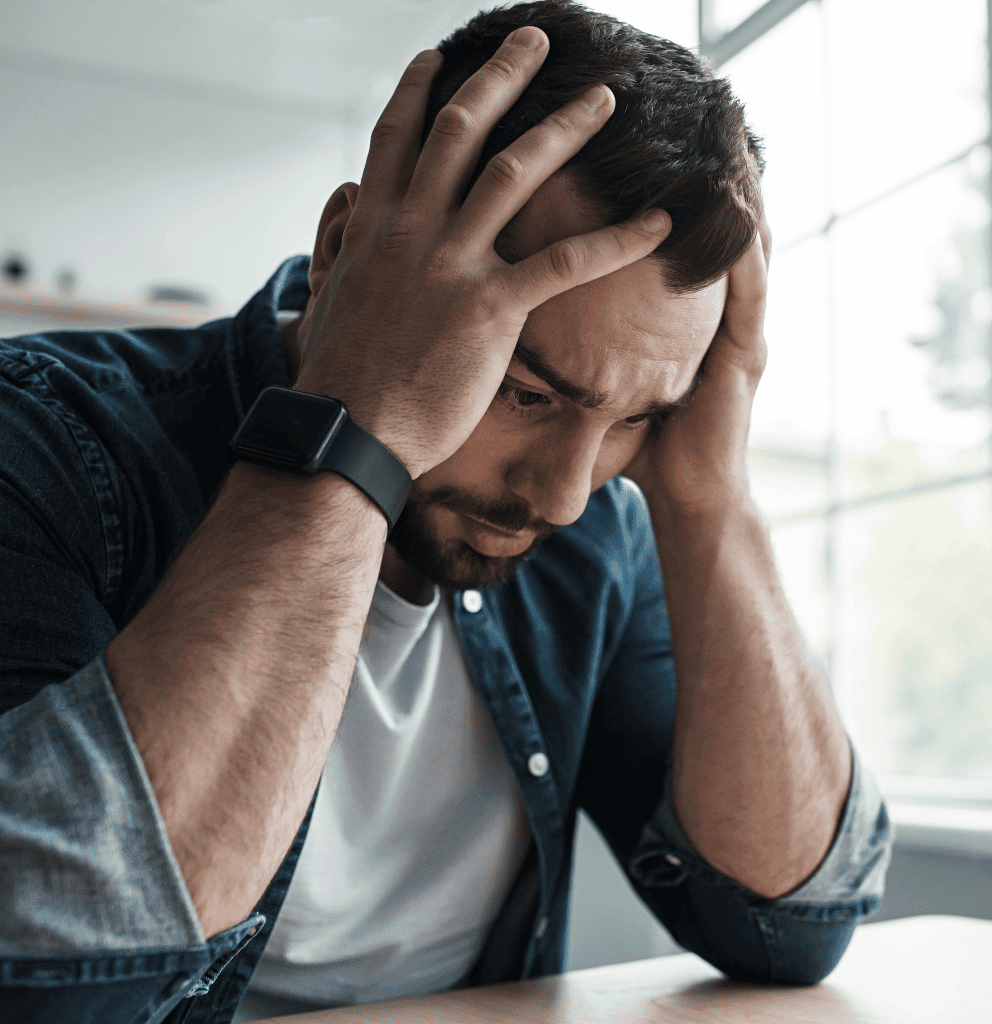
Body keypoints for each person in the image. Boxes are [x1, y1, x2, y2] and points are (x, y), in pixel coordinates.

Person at [0, 2, 891, 1021]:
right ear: (345, 251)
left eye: (635, 417)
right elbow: (43, 970)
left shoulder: (605, 529)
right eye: (524, 391)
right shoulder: (45, 438)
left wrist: (709, 493)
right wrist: (356, 425)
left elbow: (785, 921)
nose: (562, 494)